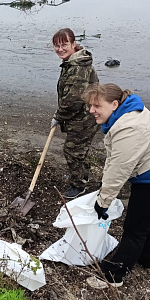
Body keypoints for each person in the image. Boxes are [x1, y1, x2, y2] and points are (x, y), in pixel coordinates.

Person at [83, 83, 150, 289]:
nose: (91, 110)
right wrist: (104, 187)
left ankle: (113, 275)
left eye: (96, 106)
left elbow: (119, 170)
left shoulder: (128, 128)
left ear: (114, 104)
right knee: (145, 216)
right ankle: (148, 260)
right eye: (90, 106)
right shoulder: (125, 113)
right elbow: (114, 159)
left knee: (134, 227)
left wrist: (102, 202)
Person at [50, 28, 99, 199]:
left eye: (64, 45)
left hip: (86, 117)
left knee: (72, 150)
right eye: (56, 46)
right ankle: (81, 176)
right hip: (81, 116)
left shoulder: (78, 67)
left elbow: (73, 100)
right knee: (79, 149)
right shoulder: (72, 62)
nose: (60, 49)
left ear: (73, 44)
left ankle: (78, 186)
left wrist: (58, 116)